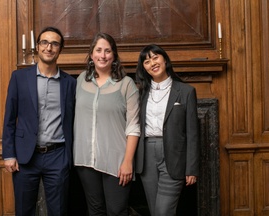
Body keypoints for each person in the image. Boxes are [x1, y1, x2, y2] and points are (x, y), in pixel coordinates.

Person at [2, 26, 76, 216]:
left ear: (60, 49)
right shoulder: (19, 78)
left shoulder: (70, 83)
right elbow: (9, 118)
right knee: (24, 210)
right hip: (26, 156)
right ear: (37, 46)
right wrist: (8, 154)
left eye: (54, 44)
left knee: (59, 211)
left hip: (58, 156)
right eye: (44, 42)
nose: (49, 47)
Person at [73, 32, 140, 216]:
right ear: (92, 54)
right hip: (85, 160)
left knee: (117, 210)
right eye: (99, 50)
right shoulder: (80, 81)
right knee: (95, 211)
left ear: (114, 56)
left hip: (117, 160)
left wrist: (127, 162)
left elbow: (134, 126)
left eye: (108, 51)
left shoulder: (127, 85)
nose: (103, 55)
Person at [135, 44, 200, 216]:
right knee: (154, 210)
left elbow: (193, 133)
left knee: (163, 212)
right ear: (144, 67)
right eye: (147, 61)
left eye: (155, 57)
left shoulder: (186, 91)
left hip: (173, 156)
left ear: (165, 59)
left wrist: (191, 169)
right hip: (146, 156)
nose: (152, 63)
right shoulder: (140, 93)